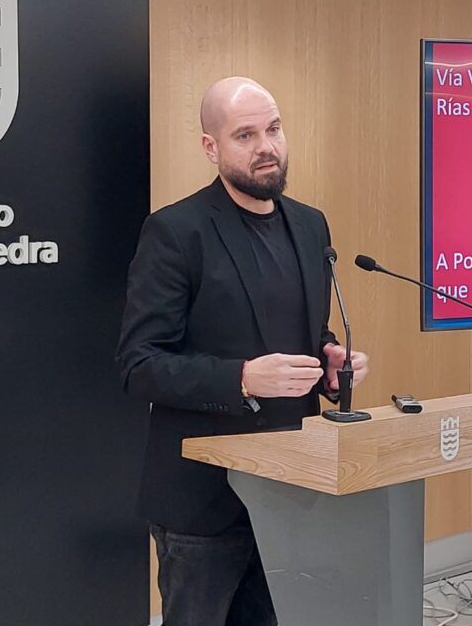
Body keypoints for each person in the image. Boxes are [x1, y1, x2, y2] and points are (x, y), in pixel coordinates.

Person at [117, 77, 371, 625]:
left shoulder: (310, 225)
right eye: (245, 135)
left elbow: (308, 331)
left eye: (273, 129)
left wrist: (330, 359)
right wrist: (242, 378)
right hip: (204, 504)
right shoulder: (176, 231)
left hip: (290, 489)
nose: (266, 147)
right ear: (211, 148)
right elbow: (140, 365)